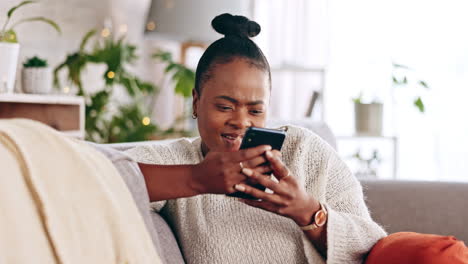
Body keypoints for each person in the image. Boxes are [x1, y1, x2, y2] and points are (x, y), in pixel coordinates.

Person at [126, 13, 386, 264]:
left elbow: (371, 244)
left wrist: (307, 211)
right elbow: (100, 174)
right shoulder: (177, 159)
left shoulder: (305, 151)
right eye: (225, 107)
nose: (241, 121)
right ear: (196, 102)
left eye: (255, 110)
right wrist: (195, 179)